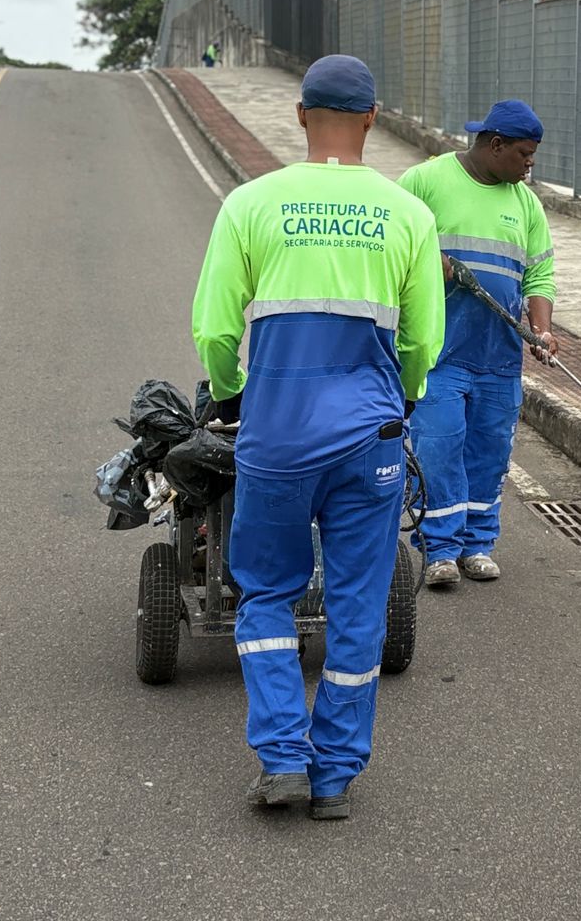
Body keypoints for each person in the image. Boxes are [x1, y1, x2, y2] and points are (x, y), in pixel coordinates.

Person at [192, 54, 444, 820]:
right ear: (373, 119)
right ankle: (334, 774)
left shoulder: (250, 204)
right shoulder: (409, 215)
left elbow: (213, 329)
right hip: (368, 440)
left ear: (301, 116)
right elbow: (425, 342)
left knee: (266, 593)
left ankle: (281, 758)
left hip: (274, 439)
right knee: (358, 607)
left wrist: (236, 399)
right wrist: (399, 398)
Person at [398, 100, 557, 588]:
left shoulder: (525, 203)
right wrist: (432, 262)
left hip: (499, 357)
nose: (530, 164)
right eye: (524, 154)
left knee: (489, 453)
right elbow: (392, 250)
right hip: (439, 354)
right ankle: (440, 549)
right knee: (438, 449)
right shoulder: (424, 183)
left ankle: (477, 544)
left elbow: (540, 274)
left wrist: (542, 328)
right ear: (495, 145)